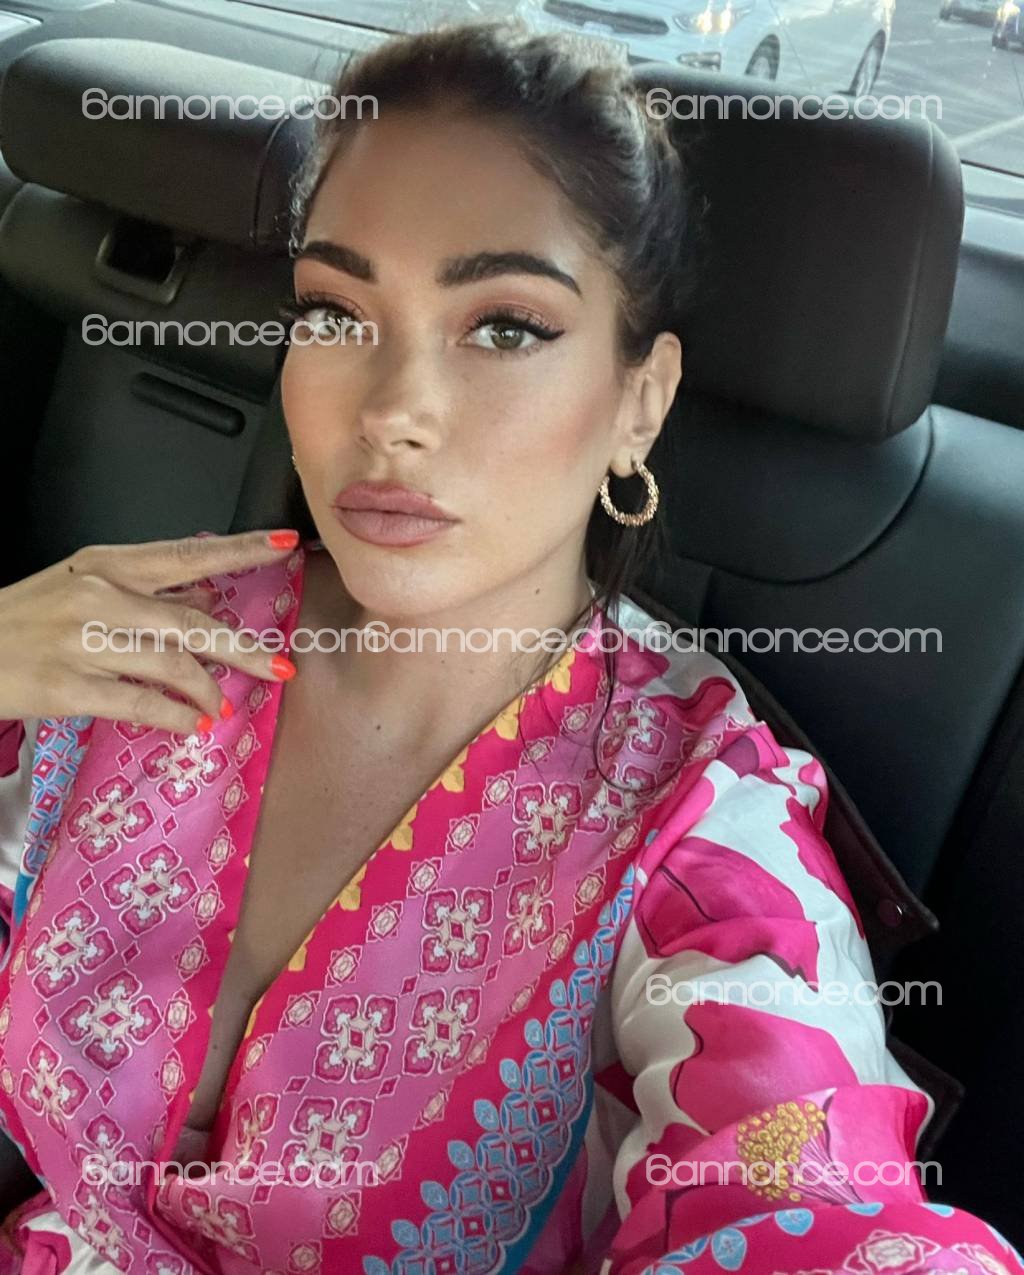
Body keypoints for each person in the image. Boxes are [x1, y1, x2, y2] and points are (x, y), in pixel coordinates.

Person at [0, 20, 1019, 1275]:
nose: (394, 411)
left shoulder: (702, 837)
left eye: (505, 328)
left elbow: (804, 1196)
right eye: (335, 312)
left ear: (638, 401)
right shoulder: (148, 633)